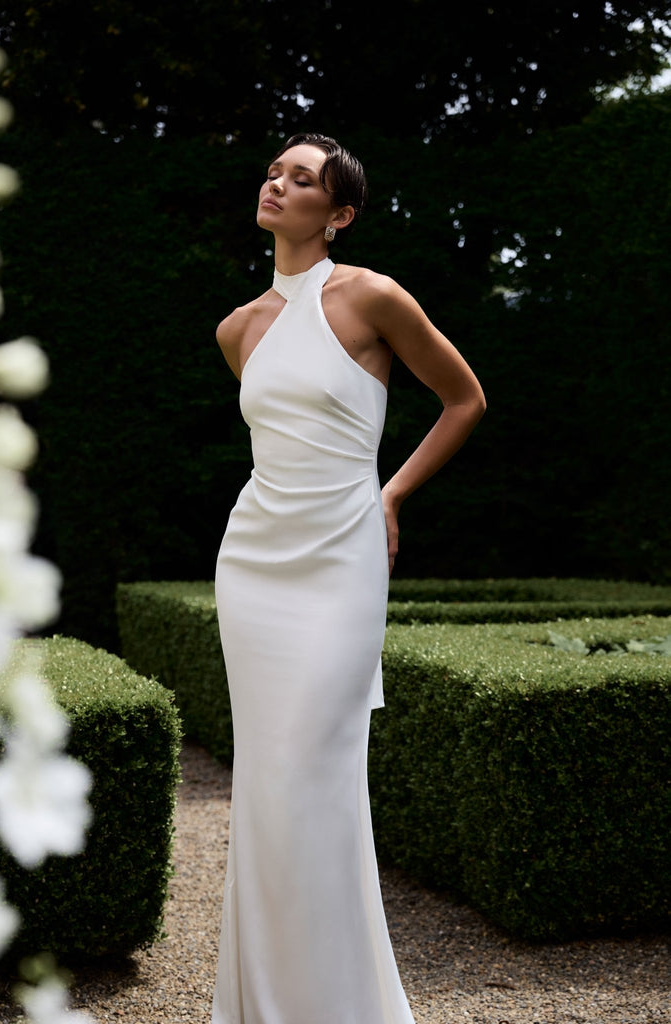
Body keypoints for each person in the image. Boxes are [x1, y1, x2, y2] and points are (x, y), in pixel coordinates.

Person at [212, 132, 485, 1024]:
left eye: (301, 179)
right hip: (253, 562)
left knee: (311, 774)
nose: (276, 183)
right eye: (274, 171)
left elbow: (464, 399)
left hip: (341, 558)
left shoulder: (371, 295)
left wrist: (391, 494)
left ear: (338, 214)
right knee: (266, 783)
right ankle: (265, 1002)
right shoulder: (237, 329)